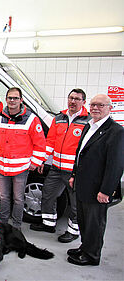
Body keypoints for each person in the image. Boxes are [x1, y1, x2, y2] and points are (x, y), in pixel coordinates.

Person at [66, 94, 124, 266]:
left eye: (100, 105)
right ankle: (85, 247)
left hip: (98, 189)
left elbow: (116, 165)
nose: (95, 108)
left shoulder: (116, 132)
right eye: (93, 105)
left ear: (109, 108)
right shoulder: (89, 126)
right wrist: (74, 175)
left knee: (95, 224)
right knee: (84, 220)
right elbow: (80, 153)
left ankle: (92, 256)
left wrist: (107, 191)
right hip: (83, 184)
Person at [30, 89, 91, 243]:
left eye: (77, 99)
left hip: (73, 171)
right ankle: (48, 224)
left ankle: (73, 231)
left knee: (75, 203)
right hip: (57, 168)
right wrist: (41, 160)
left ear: (83, 102)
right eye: (71, 98)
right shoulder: (59, 118)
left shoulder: (88, 121)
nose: (73, 101)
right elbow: (50, 142)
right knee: (48, 195)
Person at [0, 87, 46, 229]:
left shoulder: (31, 119)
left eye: (15, 98)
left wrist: (34, 163)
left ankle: (16, 227)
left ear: (21, 100)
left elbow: (40, 144)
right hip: (2, 166)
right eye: (10, 98)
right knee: (4, 197)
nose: (12, 101)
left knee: (18, 199)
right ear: (6, 99)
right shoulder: (0, 117)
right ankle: (4, 225)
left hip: (20, 168)